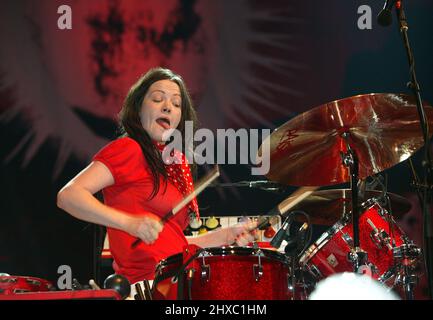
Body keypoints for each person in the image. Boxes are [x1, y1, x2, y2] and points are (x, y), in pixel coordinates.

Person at [57, 67, 257, 297]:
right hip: (146, 288)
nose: (167, 107)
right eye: (157, 99)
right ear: (138, 108)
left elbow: (175, 246)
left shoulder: (173, 165)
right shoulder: (129, 149)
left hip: (176, 283)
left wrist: (224, 236)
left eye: (176, 103)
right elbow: (68, 195)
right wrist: (130, 223)